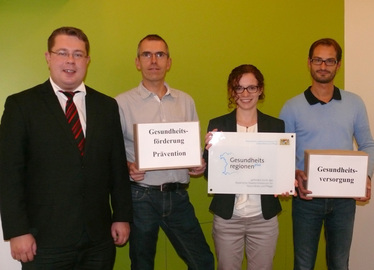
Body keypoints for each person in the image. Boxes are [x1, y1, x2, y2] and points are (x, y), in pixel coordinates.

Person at [0, 26, 132, 269]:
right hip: (44, 241)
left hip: (98, 240)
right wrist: (17, 231)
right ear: (48, 58)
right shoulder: (21, 105)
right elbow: (9, 174)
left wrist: (122, 216)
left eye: (78, 54)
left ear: (87, 60)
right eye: (62, 52)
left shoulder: (107, 106)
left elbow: (117, 167)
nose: (70, 60)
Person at [115, 34, 214, 270]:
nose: (154, 60)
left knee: (203, 262)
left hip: (178, 196)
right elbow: (112, 155)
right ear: (137, 62)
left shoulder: (186, 101)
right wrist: (128, 167)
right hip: (141, 198)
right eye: (146, 54)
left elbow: (190, 150)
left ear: (169, 62)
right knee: (142, 264)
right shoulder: (121, 104)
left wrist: (198, 164)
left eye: (160, 54)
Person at [279, 38, 374, 270]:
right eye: (318, 60)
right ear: (309, 63)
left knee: (340, 264)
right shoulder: (291, 107)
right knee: (303, 265)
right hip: (306, 199)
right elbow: (281, 152)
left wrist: (367, 177)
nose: (323, 66)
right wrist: (293, 173)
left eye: (329, 61)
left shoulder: (354, 103)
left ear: (338, 65)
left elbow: (368, 144)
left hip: (344, 200)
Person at [203, 64, 285, 270]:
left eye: (251, 87)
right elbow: (209, 174)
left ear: (260, 89)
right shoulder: (218, 126)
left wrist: (285, 182)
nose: (245, 93)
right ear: (232, 91)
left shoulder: (276, 126)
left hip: (263, 219)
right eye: (239, 88)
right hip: (228, 219)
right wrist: (208, 154)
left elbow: (280, 168)